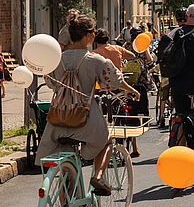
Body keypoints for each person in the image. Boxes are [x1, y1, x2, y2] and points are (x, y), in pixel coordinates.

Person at [36, 14, 140, 195]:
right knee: (106, 140)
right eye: (93, 31)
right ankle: (98, 177)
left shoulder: (56, 59)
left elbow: (51, 83)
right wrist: (131, 89)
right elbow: (114, 81)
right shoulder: (95, 60)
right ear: (88, 35)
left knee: (62, 169)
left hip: (57, 121)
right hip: (85, 120)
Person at [123, 27, 154, 158]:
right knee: (139, 112)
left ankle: (133, 145)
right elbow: (150, 59)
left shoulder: (127, 45)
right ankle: (136, 144)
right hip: (140, 81)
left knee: (129, 113)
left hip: (128, 81)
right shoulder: (142, 45)